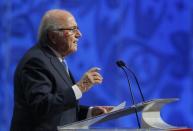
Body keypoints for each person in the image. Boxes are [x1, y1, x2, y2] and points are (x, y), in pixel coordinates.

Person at [10, 9, 112, 131]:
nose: (79, 34)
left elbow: (59, 109)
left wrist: (90, 113)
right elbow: (42, 106)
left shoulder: (57, 60)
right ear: (53, 36)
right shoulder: (35, 61)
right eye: (72, 29)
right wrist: (80, 87)